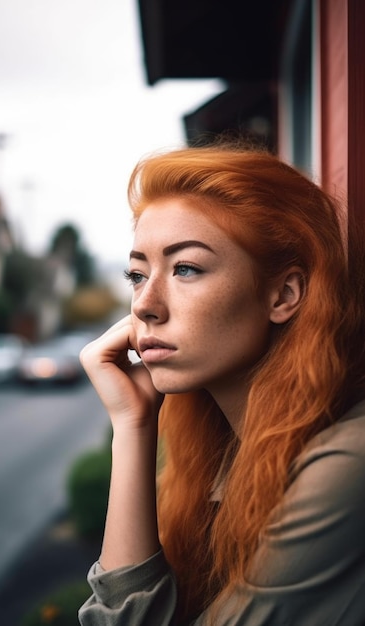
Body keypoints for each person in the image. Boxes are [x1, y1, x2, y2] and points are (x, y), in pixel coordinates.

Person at [78, 144, 365, 625]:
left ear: (284, 295)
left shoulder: (346, 463)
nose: (145, 305)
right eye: (136, 274)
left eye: (185, 268)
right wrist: (133, 423)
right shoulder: (227, 448)